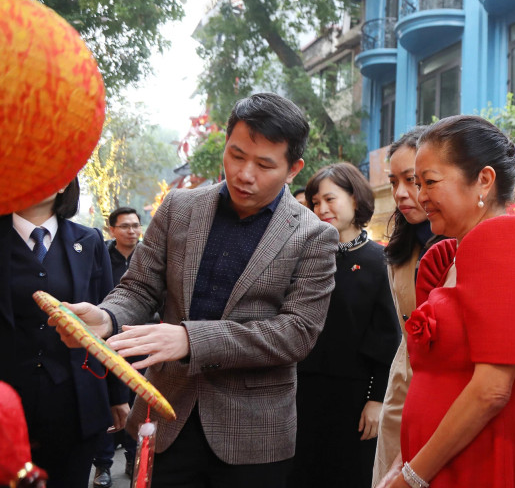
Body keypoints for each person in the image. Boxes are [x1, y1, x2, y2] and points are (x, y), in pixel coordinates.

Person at [51, 93, 338, 488]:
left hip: (253, 434)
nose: (244, 174)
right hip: (167, 416)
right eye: (236, 155)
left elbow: (296, 333)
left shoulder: (313, 235)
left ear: (293, 169)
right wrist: (106, 317)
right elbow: (139, 287)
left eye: (264, 165)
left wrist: (190, 339)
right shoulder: (179, 207)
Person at [380, 115, 515, 488]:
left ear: (484, 180)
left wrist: (411, 476)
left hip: (490, 457)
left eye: (430, 182)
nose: (420, 196)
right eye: (417, 184)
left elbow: (492, 390)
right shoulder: (449, 257)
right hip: (445, 459)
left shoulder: (509, 244)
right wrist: (402, 463)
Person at [0, 178, 128, 488]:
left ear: (63, 183)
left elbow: (107, 320)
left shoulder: (88, 240)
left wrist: (117, 395)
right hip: (7, 401)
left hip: (75, 397)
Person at [289, 163, 400, 488]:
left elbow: (388, 338)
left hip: (354, 397)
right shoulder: (304, 257)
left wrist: (377, 399)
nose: (322, 209)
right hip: (299, 392)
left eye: (330, 199)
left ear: (355, 199)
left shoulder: (380, 261)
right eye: (315, 202)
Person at [371, 127, 439, 487]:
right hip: (403, 385)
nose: (400, 193)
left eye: (412, 180)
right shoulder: (400, 249)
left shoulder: (467, 241)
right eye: (393, 181)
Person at [92, 206, 142, 486]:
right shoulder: (101, 256)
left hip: (139, 340)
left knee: (137, 403)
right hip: (106, 340)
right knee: (106, 403)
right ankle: (103, 465)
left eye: (135, 225)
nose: (132, 231)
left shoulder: (147, 257)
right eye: (125, 226)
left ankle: (134, 459)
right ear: (112, 229)